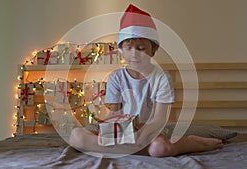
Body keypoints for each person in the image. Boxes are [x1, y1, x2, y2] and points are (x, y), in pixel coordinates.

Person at [69, 4, 223, 157]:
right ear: (122, 51)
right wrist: (110, 133)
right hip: (123, 132)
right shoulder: (116, 78)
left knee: (160, 150)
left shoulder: (161, 78)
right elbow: (114, 114)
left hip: (150, 132)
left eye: (141, 48)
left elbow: (159, 119)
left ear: (153, 49)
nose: (134, 54)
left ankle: (190, 142)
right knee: (76, 136)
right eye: (128, 49)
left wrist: (141, 137)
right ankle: (131, 150)